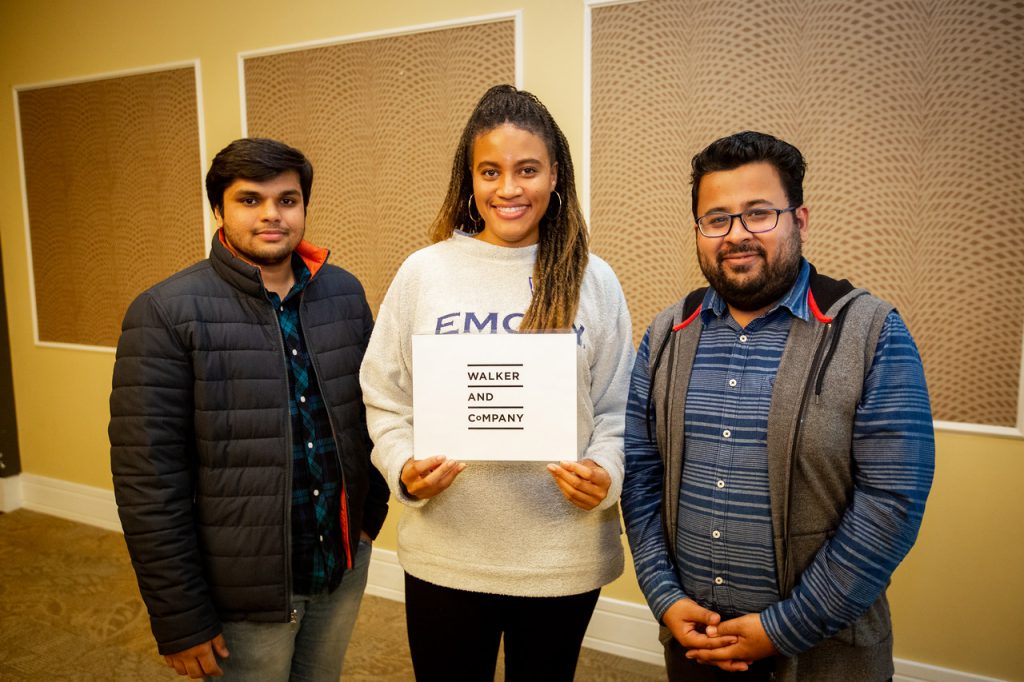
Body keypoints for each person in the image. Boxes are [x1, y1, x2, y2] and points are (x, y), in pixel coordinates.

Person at [621, 131, 935, 681]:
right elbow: (640, 475)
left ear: (800, 220)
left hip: (826, 656)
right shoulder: (667, 332)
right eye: (716, 219)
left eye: (758, 214)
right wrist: (663, 595)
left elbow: (892, 501)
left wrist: (784, 628)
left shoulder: (871, 331)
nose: (736, 235)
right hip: (695, 644)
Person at [359, 84, 634, 681]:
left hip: (561, 555)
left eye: (527, 169)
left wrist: (606, 474)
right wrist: (404, 467)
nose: (508, 189)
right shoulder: (424, 272)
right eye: (491, 171)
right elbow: (384, 397)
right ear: (470, 177)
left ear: (555, 173)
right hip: (448, 553)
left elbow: (618, 407)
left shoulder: (594, 279)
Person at [109, 138, 389, 680]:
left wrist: (369, 517)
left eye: (287, 200)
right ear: (219, 209)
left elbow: (374, 413)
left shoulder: (344, 293)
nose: (271, 215)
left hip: (341, 565)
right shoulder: (165, 312)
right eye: (249, 200)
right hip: (243, 588)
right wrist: (181, 617)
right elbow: (148, 482)